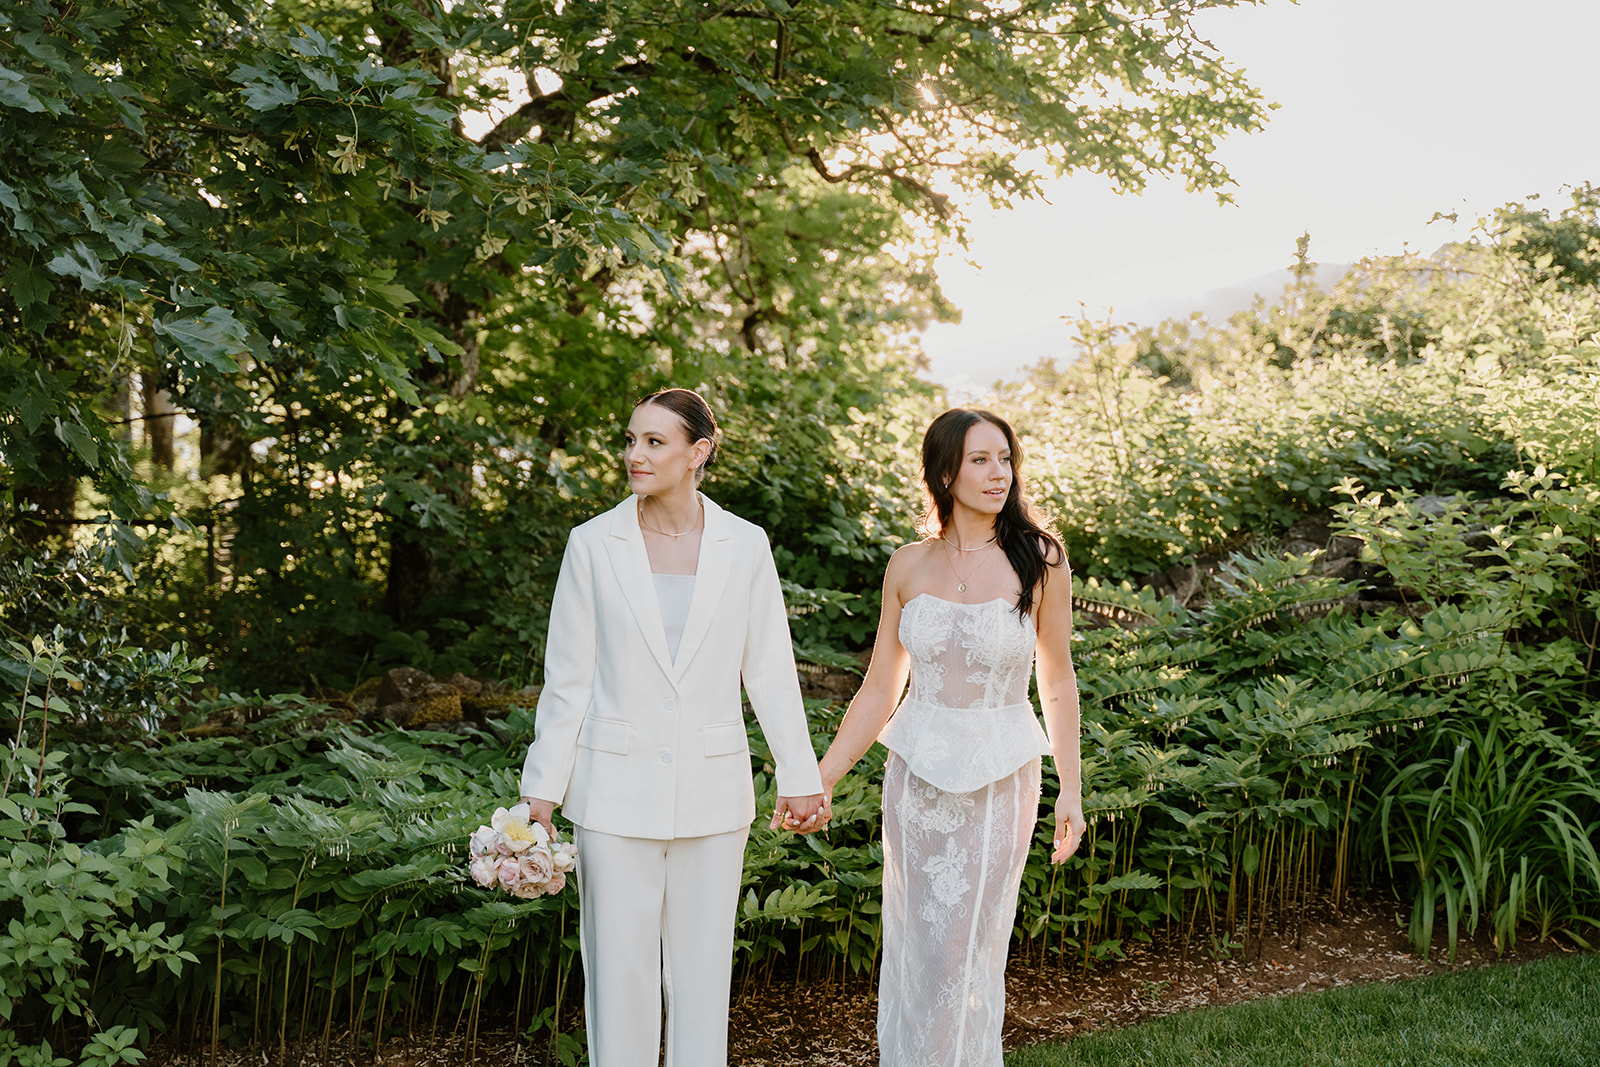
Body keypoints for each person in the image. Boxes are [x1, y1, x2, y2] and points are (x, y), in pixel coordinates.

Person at [518, 388, 825, 1067]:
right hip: (612, 797)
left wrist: (800, 777)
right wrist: (540, 792)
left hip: (715, 797)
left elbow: (770, 669)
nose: (635, 454)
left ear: (699, 452)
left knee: (701, 981)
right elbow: (569, 678)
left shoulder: (746, 545)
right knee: (618, 980)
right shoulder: (593, 544)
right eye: (631, 439)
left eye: (654, 442)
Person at [814, 407, 1085, 1067]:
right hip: (915, 781)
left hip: (1001, 780)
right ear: (945, 471)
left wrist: (1071, 789)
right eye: (980, 460)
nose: (999, 473)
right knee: (920, 945)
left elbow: (1057, 680)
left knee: (968, 949)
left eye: (1005, 458)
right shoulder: (908, 566)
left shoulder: (1041, 560)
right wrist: (819, 777)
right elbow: (880, 688)